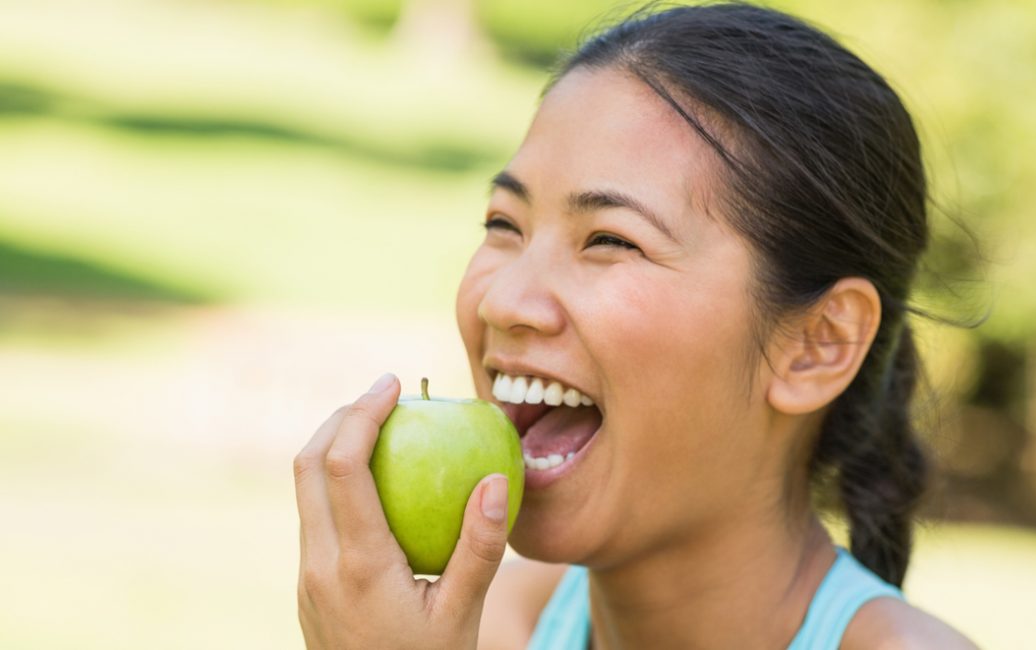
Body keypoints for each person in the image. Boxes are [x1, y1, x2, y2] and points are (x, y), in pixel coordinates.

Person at [293, 2, 979, 648]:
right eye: (504, 224)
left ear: (818, 343)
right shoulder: (486, 627)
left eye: (611, 240)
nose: (503, 301)